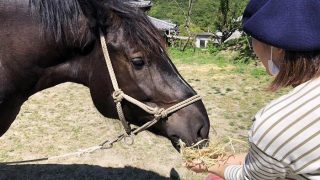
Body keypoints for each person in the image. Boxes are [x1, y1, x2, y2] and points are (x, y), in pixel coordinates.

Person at [185, 0, 320, 179]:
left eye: (252, 40)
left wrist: (211, 166)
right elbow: (278, 159)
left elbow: (248, 177)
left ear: (277, 47)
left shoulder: (276, 124)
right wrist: (224, 159)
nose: (254, 49)